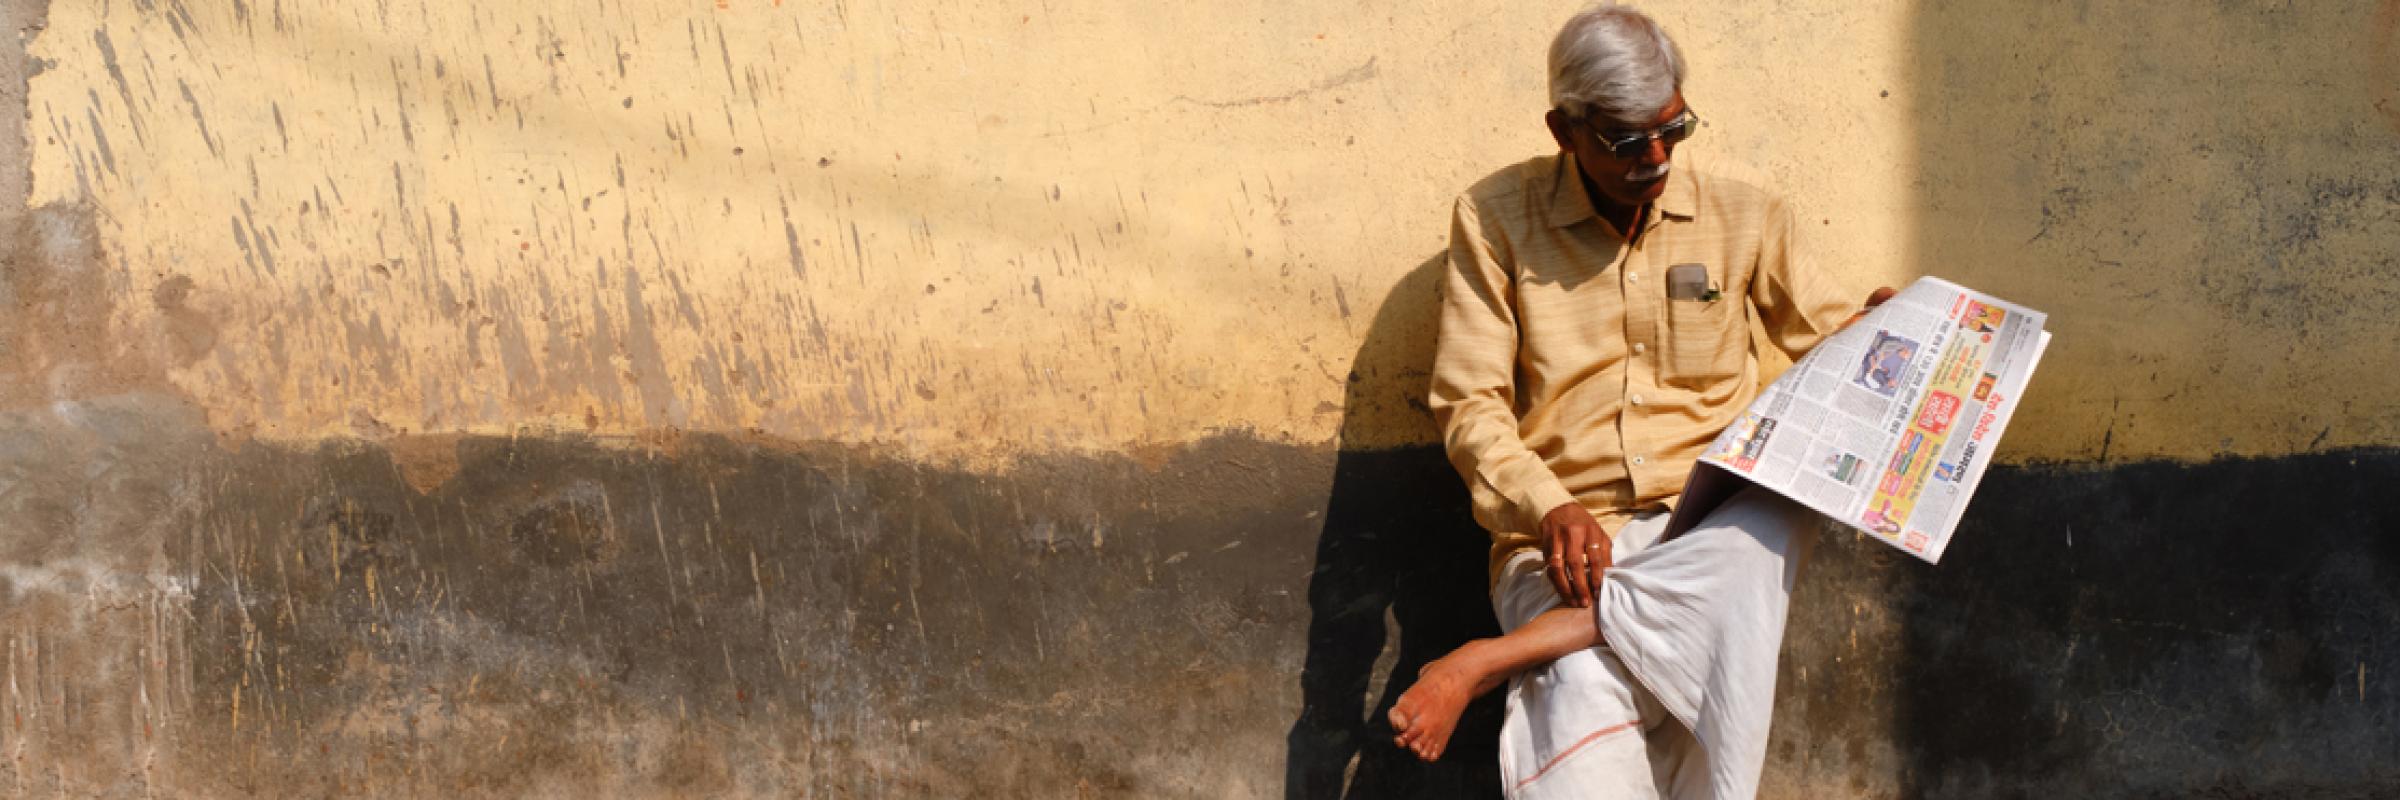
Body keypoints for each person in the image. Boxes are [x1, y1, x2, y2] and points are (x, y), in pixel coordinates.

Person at [1388, 5, 1892, 797]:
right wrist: (1547, 504)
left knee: (1762, 529)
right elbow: (1469, 402)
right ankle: (1536, 645)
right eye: (1626, 140)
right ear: (1565, 129)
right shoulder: (1494, 221)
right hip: (1567, 541)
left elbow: (1833, 341)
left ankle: (1488, 659)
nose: (1655, 157)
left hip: (1709, 532)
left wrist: (1889, 334)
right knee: (1580, 684)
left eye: (1673, 129)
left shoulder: (1746, 217)